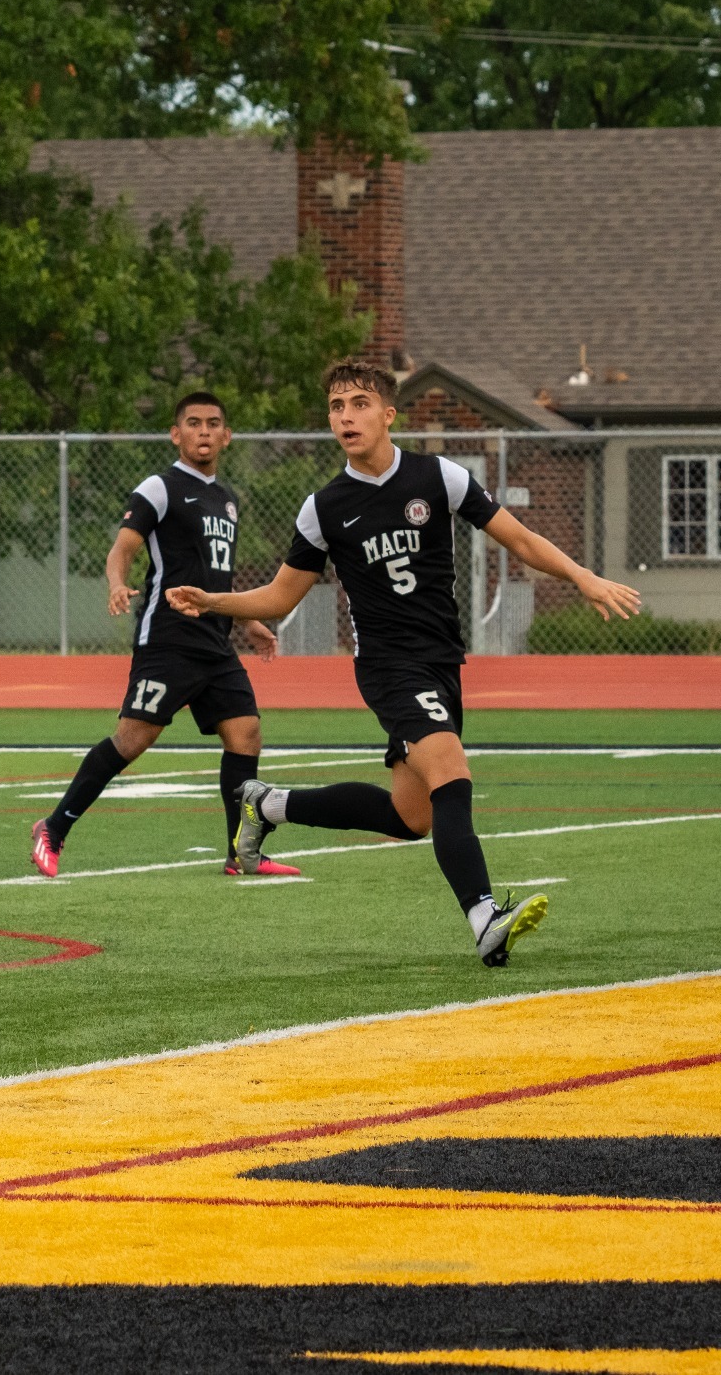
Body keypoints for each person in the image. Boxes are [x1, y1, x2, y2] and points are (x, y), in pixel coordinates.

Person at [165, 358, 642, 966]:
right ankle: (484, 918)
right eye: (336, 406)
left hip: (441, 662)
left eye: (359, 404)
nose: (346, 416)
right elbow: (283, 596)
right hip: (388, 667)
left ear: (388, 414)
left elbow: (518, 538)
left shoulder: (436, 477)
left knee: (410, 817)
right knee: (451, 771)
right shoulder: (323, 507)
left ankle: (268, 804)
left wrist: (582, 576)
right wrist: (214, 601)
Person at [30, 392, 296, 879]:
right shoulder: (159, 487)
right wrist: (115, 583)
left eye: (213, 423)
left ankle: (241, 852)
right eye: (192, 423)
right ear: (176, 434)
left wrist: (249, 621)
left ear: (226, 436)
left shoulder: (229, 499)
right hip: (168, 639)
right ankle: (53, 827)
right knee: (133, 739)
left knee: (246, 734)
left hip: (215, 643)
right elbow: (122, 548)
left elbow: (218, 576)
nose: (203, 431)